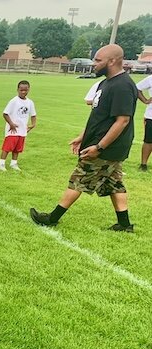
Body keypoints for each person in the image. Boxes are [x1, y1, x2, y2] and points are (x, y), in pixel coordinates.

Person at [30, 44, 138, 232]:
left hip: (107, 147)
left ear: (112, 61)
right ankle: (124, 224)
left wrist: (99, 147)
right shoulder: (106, 83)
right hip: (103, 144)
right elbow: (98, 116)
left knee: (79, 178)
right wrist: (82, 136)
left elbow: (122, 121)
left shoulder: (122, 86)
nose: (93, 64)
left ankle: (52, 218)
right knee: (114, 183)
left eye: (98, 60)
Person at [0, 80, 36, 172]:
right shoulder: (14, 101)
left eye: (25, 90)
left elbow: (33, 115)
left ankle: (13, 163)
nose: (23, 92)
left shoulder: (30, 102)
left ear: (28, 90)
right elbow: (5, 114)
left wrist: (33, 125)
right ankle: (1, 163)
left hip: (22, 130)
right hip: (12, 130)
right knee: (7, 147)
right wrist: (11, 124)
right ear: (17, 89)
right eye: (21, 90)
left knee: (17, 148)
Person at [135, 73, 152, 171]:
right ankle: (143, 164)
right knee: (148, 140)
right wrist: (145, 100)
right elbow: (136, 88)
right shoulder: (150, 78)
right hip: (151, 116)